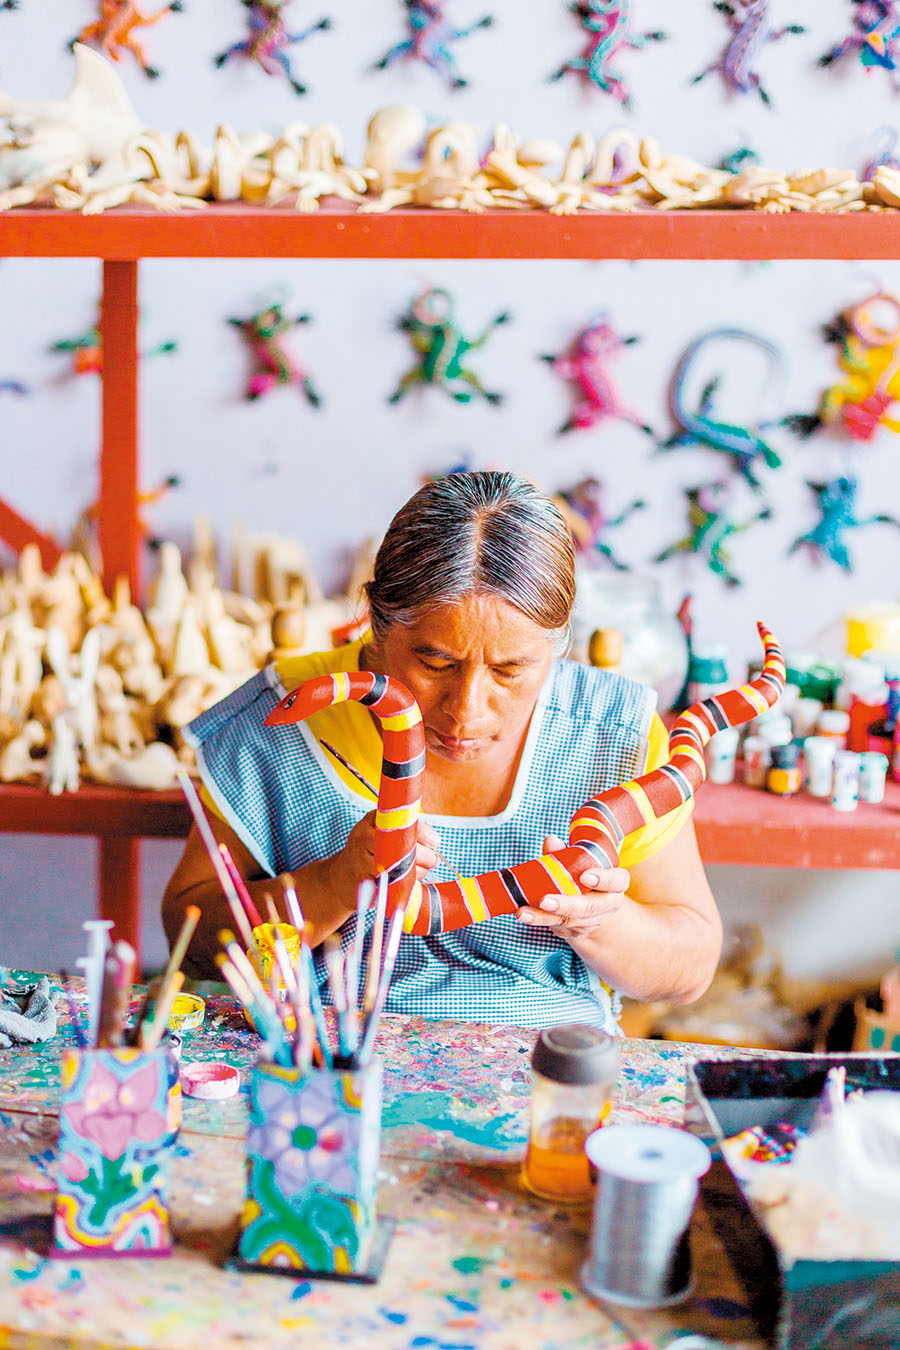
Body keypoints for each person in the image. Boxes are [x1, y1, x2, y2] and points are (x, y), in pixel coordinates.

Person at [163, 471, 722, 1030]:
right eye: (436, 664)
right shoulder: (285, 717)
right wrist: (334, 883)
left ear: (556, 648)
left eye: (511, 670)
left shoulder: (612, 733)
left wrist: (601, 923)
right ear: (376, 629)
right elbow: (189, 938)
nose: (467, 710)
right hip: (325, 1051)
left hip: (545, 1061)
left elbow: (691, 970)